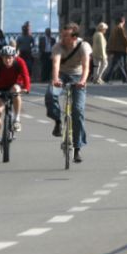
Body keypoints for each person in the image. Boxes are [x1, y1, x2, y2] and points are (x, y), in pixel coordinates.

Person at [45, 23, 92, 163]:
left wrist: (83, 81)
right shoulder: (58, 46)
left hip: (78, 76)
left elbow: (86, 66)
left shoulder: (83, 46)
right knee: (50, 94)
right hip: (61, 75)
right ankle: (58, 121)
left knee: (78, 110)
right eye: (62, 35)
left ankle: (77, 148)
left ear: (74, 37)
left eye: (66, 36)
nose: (62, 38)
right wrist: (55, 79)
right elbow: (56, 64)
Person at [0, 46, 30, 153]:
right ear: (1, 57)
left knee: (16, 90)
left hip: (14, 85)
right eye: (5, 57)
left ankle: (17, 119)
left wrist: (26, 88)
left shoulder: (19, 62)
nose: (8, 60)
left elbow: (25, 75)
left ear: (14, 57)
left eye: (10, 57)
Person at [106, 15, 127, 84]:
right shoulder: (120, 28)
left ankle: (107, 78)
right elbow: (124, 38)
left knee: (114, 64)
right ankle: (125, 79)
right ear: (123, 21)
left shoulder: (115, 28)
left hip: (116, 49)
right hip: (119, 49)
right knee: (120, 64)